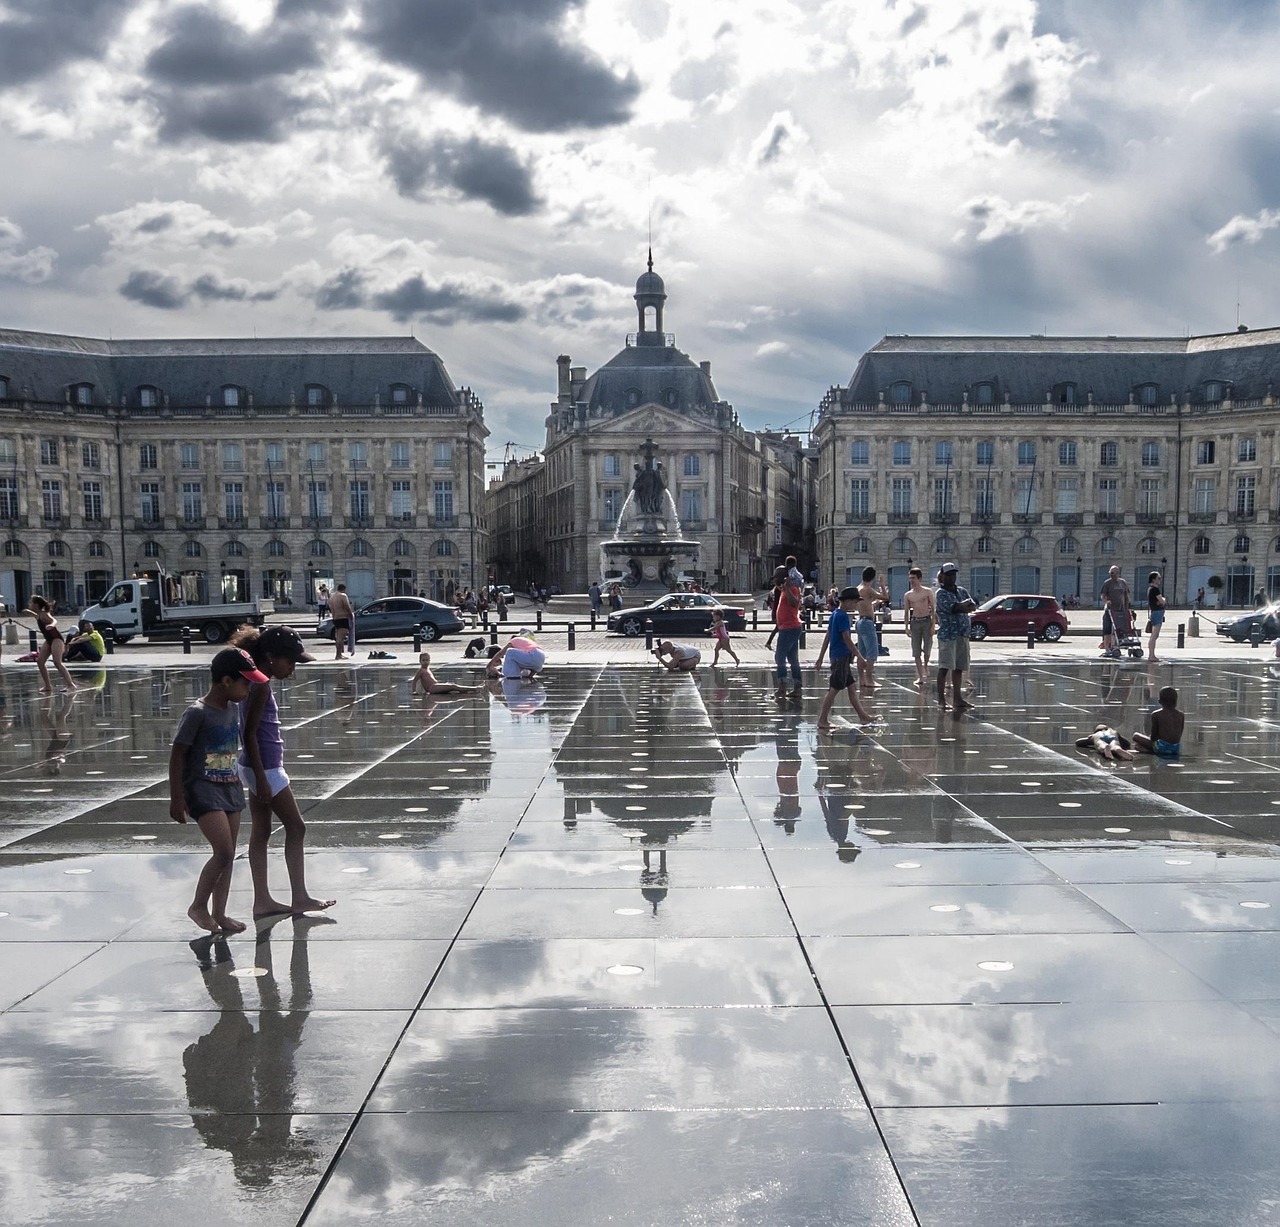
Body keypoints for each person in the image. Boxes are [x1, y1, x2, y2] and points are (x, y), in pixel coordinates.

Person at [229, 626, 335, 921]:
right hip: (265, 768)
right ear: (270, 657)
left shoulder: (254, 680)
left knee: (261, 831)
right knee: (296, 827)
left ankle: (262, 901)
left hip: (255, 766)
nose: (292, 669)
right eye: (290, 661)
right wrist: (262, 778)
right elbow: (250, 734)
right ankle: (299, 897)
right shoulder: (260, 686)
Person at [169, 647, 269, 934]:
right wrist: (177, 797)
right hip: (202, 789)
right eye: (245, 683)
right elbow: (178, 755)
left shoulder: (232, 708)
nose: (248, 690)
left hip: (229, 787)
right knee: (223, 852)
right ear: (226, 681)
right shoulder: (197, 713)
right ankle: (198, 906)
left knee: (229, 854)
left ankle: (220, 913)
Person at [814, 586, 873, 729]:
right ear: (846, 601)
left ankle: (863, 717)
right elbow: (846, 638)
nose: (856, 605)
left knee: (852, 687)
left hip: (839, 656)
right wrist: (859, 656)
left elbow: (828, 636)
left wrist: (820, 657)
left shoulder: (835, 614)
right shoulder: (843, 617)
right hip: (841, 657)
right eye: (854, 602)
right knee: (834, 689)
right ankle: (822, 720)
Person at [934, 563, 976, 711]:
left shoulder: (962, 591)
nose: (952, 577)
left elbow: (972, 606)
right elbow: (954, 608)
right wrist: (962, 606)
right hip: (948, 635)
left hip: (962, 633)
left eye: (954, 575)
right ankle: (941, 700)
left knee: (959, 667)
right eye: (949, 575)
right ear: (942, 576)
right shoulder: (941, 593)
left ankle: (958, 699)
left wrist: (962, 606)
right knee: (944, 667)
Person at [24, 595, 77, 694]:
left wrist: (51, 625)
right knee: (40, 662)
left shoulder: (44, 614)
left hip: (56, 639)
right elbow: (36, 616)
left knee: (57, 662)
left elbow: (54, 620)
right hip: (49, 640)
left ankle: (71, 685)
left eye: (31, 603)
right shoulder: (39, 615)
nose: (29, 604)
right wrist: (29, 612)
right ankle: (48, 686)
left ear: (36, 605)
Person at [853, 566, 889, 692]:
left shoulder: (858, 588)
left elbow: (866, 603)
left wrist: (874, 603)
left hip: (860, 621)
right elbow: (885, 597)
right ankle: (869, 680)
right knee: (872, 652)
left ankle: (862, 679)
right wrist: (882, 585)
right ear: (872, 578)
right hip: (867, 623)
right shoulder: (868, 589)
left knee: (861, 653)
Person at [771, 564, 803, 699]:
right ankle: (797, 687)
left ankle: (782, 687)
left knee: (779, 657)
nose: (774, 580)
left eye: (777, 577)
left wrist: (788, 588)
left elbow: (795, 603)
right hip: (787, 627)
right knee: (793, 659)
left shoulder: (792, 588)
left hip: (790, 628)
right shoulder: (784, 589)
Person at [903, 567, 936, 687]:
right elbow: (906, 612)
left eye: (913, 578)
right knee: (916, 650)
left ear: (919, 579)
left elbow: (933, 609)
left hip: (926, 621)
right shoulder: (908, 595)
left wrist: (933, 625)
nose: (911, 580)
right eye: (910, 578)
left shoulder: (927, 592)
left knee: (927, 647)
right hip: (915, 622)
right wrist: (906, 627)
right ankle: (920, 676)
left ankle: (925, 665)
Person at [1133, 686, 1185, 757]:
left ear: (1159, 701)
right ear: (1176, 701)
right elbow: (1179, 734)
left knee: (1136, 736)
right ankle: (1156, 750)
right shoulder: (1181, 715)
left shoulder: (1156, 714)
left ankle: (1151, 751)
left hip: (1161, 747)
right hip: (1176, 749)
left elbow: (1153, 737)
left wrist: (1149, 739)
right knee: (1141, 746)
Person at [411, 650, 483, 696]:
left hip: (434, 686)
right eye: (423, 660)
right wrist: (414, 691)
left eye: (427, 660)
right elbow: (415, 680)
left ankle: (466, 690)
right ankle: (474, 688)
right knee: (453, 686)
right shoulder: (421, 670)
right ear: (420, 661)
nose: (425, 662)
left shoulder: (427, 669)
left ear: (430, 661)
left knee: (452, 686)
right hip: (433, 687)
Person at [1100, 565, 1132, 656]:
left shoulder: (1123, 583)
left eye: (1113, 573)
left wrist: (1127, 606)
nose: (1111, 574)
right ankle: (1107, 648)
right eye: (1110, 573)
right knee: (1107, 629)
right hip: (1110, 610)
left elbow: (1126, 595)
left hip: (1121, 610)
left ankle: (1115, 647)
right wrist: (1106, 601)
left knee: (1118, 630)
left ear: (1118, 573)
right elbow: (1102, 595)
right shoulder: (1107, 583)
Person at [327, 583, 353, 660]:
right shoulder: (343, 596)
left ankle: (339, 654)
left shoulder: (332, 597)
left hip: (335, 618)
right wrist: (351, 615)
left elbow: (330, 608)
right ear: (344, 589)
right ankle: (338, 655)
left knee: (338, 636)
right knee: (340, 638)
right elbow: (347, 606)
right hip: (343, 618)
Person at [1145, 570, 1166, 662]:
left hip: (1155, 612)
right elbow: (1162, 601)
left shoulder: (1150, 589)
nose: (1160, 580)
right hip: (1157, 613)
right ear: (1153, 579)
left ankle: (1151, 654)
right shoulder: (1155, 589)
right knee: (1154, 635)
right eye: (1158, 578)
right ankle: (1151, 655)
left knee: (1154, 635)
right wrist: (1163, 600)